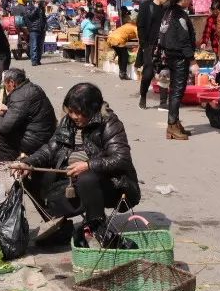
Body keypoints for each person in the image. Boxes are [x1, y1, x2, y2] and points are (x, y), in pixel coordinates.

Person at [16, 83, 141, 246]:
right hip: (69, 182)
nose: (73, 116)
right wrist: (28, 162)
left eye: (78, 112)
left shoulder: (109, 123)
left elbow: (121, 158)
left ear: (91, 109)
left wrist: (88, 165)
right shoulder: (67, 122)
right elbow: (50, 149)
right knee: (27, 175)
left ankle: (97, 227)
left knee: (86, 178)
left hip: (110, 185)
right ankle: (58, 225)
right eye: (71, 111)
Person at [0, 68, 57, 161]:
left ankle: (11, 162)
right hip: (45, 134)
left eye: (5, 84)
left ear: (11, 82)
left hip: (35, 140)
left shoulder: (20, 95)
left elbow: (5, 126)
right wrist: (5, 112)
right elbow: (22, 113)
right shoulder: (32, 87)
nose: (5, 88)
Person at [158, 0, 196, 140]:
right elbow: (184, 39)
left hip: (170, 55)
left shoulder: (168, 12)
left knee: (174, 91)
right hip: (179, 58)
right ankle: (172, 125)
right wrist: (192, 61)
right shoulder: (179, 15)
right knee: (177, 92)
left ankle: (174, 123)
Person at [138, 0, 172, 110]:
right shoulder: (146, 6)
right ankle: (143, 95)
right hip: (149, 45)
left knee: (164, 71)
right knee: (147, 73)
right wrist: (143, 44)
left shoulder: (166, 9)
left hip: (163, 45)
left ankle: (163, 101)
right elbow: (140, 25)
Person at [106, 11, 138, 80]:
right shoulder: (134, 27)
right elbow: (139, 37)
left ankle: (121, 73)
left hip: (111, 38)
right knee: (125, 56)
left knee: (121, 55)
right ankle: (123, 73)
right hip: (118, 40)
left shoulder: (127, 25)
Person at [25, 0, 47, 66]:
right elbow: (30, 16)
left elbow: (43, 18)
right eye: (37, 1)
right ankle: (34, 61)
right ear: (34, 2)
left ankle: (38, 60)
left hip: (41, 29)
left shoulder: (41, 9)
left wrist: (45, 27)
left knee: (40, 46)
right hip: (34, 29)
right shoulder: (29, 8)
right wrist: (36, 8)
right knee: (34, 45)